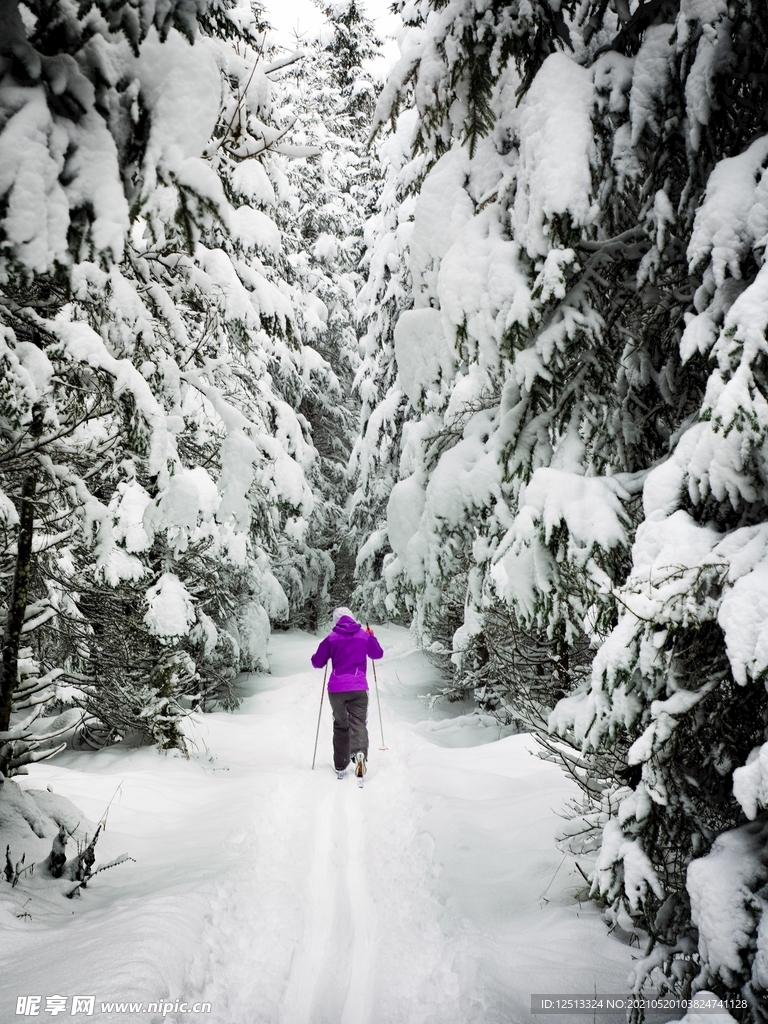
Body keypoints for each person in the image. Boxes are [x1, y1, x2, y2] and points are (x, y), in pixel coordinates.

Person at [311, 607, 383, 779]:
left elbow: (317, 662)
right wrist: (371, 637)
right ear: (352, 618)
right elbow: (377, 653)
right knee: (358, 723)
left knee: (341, 725)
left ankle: (341, 764)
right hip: (358, 688)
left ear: (336, 621)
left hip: (336, 690)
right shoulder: (363, 635)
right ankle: (359, 754)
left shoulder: (331, 638)